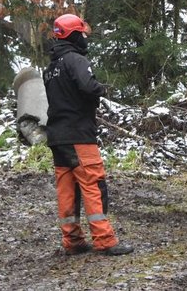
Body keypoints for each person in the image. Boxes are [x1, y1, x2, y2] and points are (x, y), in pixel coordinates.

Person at [43, 13, 133, 256]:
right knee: (93, 183)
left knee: (67, 189)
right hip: (79, 135)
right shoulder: (76, 60)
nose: (84, 38)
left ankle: (72, 240)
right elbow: (88, 87)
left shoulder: (51, 68)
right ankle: (105, 240)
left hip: (57, 137)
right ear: (73, 35)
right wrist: (100, 90)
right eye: (82, 33)